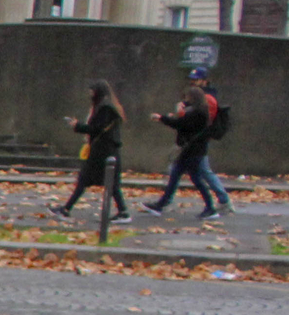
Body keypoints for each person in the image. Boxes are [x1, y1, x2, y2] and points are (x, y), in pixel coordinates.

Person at [144, 68, 233, 219]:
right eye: (191, 80)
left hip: (194, 146)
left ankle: (218, 203)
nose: (192, 83)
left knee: (201, 174)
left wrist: (172, 117)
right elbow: (184, 120)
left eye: (196, 80)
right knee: (181, 173)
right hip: (190, 146)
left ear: (204, 80)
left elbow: (190, 123)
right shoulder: (196, 104)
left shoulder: (205, 103)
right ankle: (163, 203)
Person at [51, 80, 128, 223]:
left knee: (87, 180)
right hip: (106, 151)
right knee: (109, 183)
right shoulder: (107, 106)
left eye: (92, 91)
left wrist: (78, 126)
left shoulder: (105, 108)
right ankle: (123, 212)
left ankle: (66, 209)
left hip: (103, 152)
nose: (90, 94)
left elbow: (97, 128)